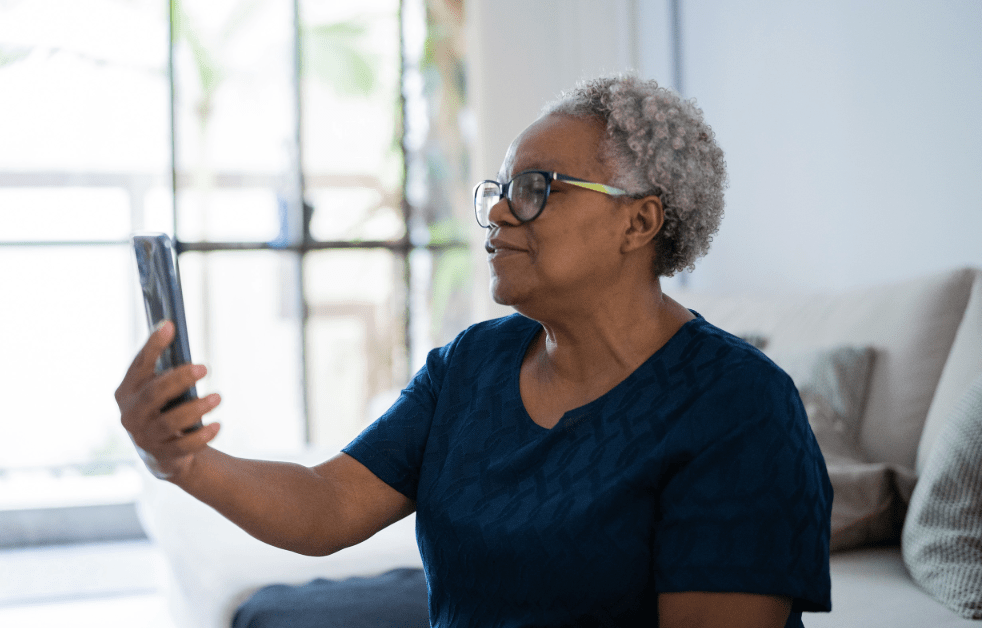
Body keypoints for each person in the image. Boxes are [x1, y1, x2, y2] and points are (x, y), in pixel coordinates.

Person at [116, 74, 832, 628]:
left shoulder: (737, 408)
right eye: (499, 189)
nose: (495, 211)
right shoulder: (471, 367)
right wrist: (186, 462)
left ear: (638, 221)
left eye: (534, 189)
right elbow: (328, 503)